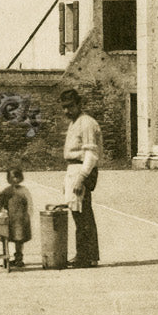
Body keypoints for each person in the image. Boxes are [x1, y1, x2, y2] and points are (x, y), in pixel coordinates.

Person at [59, 89, 101, 267]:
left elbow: (91, 154)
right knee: (78, 214)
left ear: (79, 104)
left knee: (83, 213)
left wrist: (81, 178)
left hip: (82, 170)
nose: (66, 111)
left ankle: (87, 256)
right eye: (64, 108)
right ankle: (85, 254)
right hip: (73, 170)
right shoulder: (74, 122)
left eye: (70, 107)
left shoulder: (87, 123)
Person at [0, 167, 33, 268]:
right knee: (6, 238)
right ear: (8, 179)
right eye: (12, 177)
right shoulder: (6, 191)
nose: (15, 179)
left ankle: (19, 258)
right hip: (10, 219)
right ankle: (6, 258)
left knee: (19, 239)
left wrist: (28, 215)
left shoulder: (24, 190)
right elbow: (1, 203)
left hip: (20, 219)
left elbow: (29, 204)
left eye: (17, 177)